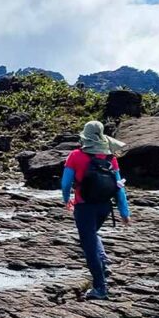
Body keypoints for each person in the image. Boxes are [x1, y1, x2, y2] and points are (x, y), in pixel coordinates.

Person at [62, 120, 132, 300]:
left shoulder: (75, 156)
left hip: (84, 207)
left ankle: (100, 288)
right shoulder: (110, 158)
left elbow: (65, 183)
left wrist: (66, 199)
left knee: (89, 246)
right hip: (104, 206)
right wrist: (124, 212)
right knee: (92, 235)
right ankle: (104, 262)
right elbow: (119, 187)